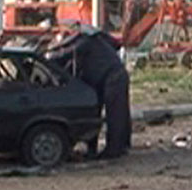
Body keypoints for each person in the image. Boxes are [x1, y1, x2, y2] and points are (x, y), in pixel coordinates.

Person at [45, 26, 131, 159]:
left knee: (115, 115)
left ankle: (114, 150)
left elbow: (63, 55)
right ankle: (115, 146)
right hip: (108, 78)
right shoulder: (96, 38)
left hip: (111, 78)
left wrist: (48, 55)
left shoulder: (83, 42)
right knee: (114, 113)